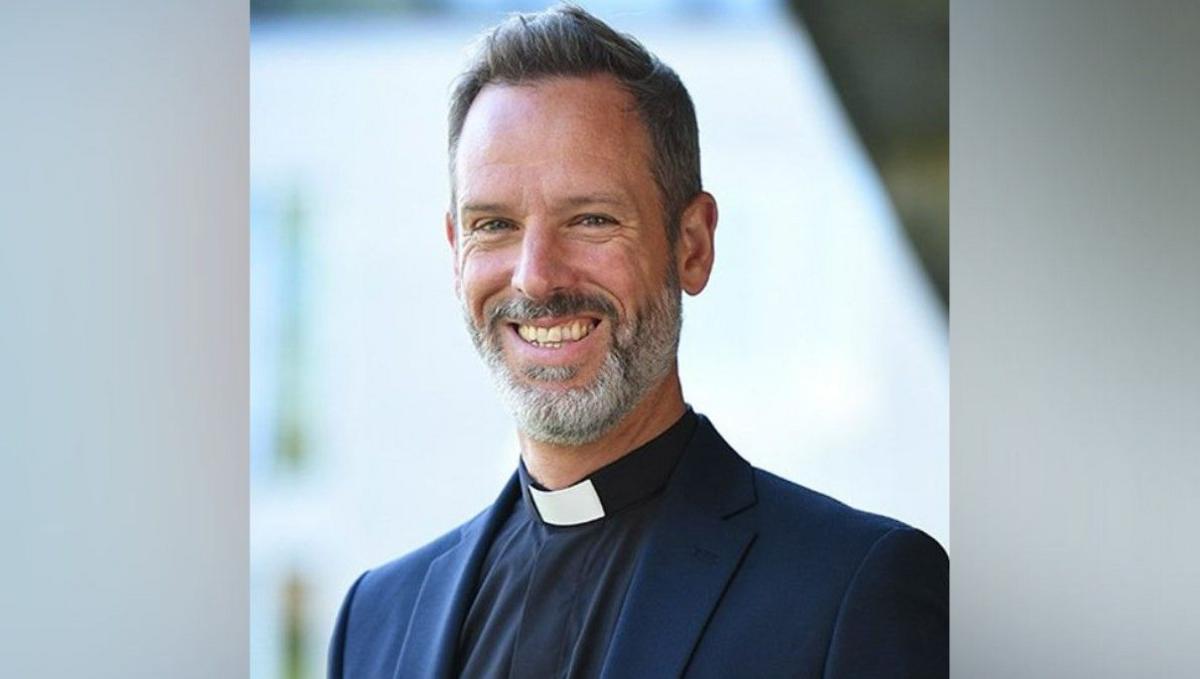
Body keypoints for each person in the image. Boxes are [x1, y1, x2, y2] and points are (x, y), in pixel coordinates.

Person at [328, 5, 947, 678]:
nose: (536, 276)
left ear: (693, 244)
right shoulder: (375, 622)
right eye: (495, 224)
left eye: (591, 219)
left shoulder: (853, 590)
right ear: (456, 254)